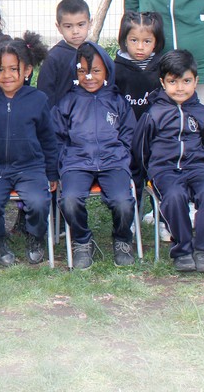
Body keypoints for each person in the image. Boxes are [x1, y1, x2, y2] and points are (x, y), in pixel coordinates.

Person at [132, 50, 204, 273]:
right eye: (173, 82)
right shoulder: (153, 114)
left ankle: (203, 250)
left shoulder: (202, 113)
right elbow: (141, 148)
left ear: (196, 81)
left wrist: (200, 164)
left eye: (186, 81)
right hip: (165, 171)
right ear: (163, 83)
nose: (180, 88)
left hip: (196, 169)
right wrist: (151, 172)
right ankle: (182, 250)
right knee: (174, 197)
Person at [0, 33, 58, 267]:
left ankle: (36, 237)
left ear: (27, 70)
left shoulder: (38, 100)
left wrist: (51, 172)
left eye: (13, 69)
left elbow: (48, 139)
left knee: (39, 202)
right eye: (0, 69)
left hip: (30, 167)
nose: (7, 75)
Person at [53, 42, 137, 269]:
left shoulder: (117, 101)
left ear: (107, 71)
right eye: (82, 71)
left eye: (96, 71)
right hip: (77, 163)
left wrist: (121, 154)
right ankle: (82, 241)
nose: (89, 77)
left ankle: (122, 239)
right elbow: (57, 136)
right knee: (70, 201)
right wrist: (64, 159)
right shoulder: (68, 102)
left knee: (123, 202)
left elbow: (129, 134)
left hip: (113, 162)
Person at [36, 0, 91, 108]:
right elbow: (45, 94)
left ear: (90, 23)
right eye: (68, 26)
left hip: (91, 114)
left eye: (81, 24)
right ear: (59, 27)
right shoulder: (53, 58)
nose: (75, 31)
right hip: (61, 116)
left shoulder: (95, 53)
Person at [114, 11, 166, 120]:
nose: (140, 47)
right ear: (125, 40)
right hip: (125, 126)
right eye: (134, 40)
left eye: (147, 41)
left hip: (156, 124)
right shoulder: (116, 69)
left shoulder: (162, 67)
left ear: (156, 42)